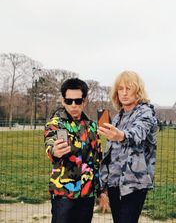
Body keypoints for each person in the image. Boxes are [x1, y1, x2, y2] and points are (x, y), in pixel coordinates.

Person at [44, 78, 109, 223]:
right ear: (63, 101)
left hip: (87, 196)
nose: (73, 105)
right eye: (69, 101)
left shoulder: (92, 127)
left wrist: (101, 192)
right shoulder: (55, 124)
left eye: (78, 101)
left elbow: (97, 161)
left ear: (84, 101)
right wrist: (54, 151)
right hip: (63, 195)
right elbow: (50, 143)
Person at [98, 70, 158, 223]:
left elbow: (138, 133)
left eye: (129, 88)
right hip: (114, 182)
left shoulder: (145, 112)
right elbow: (110, 154)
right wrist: (103, 185)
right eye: (120, 89)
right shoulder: (118, 117)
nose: (124, 93)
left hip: (134, 183)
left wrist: (121, 136)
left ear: (138, 91)